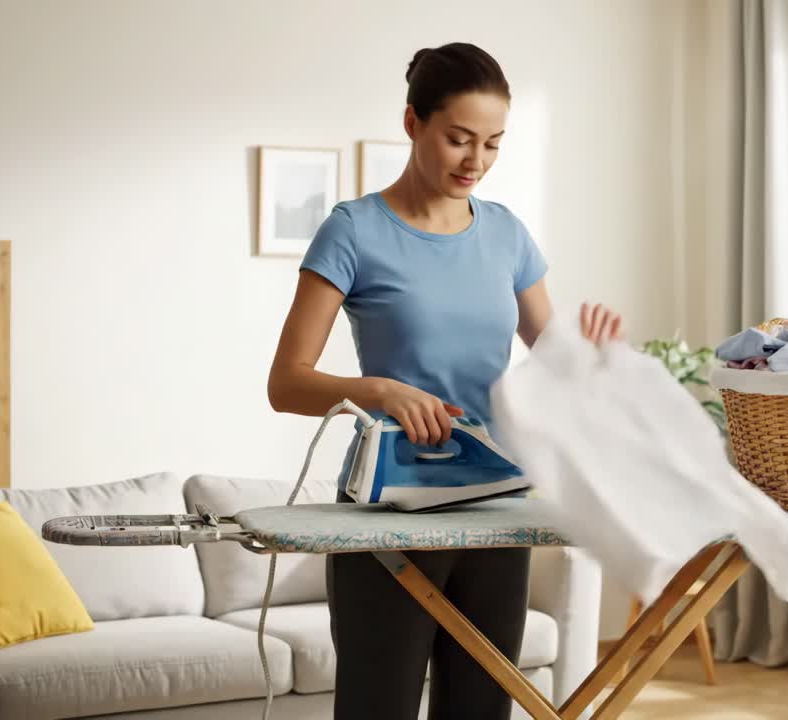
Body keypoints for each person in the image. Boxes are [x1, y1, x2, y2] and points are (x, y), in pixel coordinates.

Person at [266, 41, 623, 720]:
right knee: (380, 705)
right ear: (413, 123)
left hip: (494, 509)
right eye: (459, 139)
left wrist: (596, 356)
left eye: (492, 144)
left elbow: (556, 358)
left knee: (482, 708)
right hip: (388, 514)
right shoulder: (353, 231)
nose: (476, 162)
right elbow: (287, 383)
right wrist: (379, 391)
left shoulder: (507, 235)